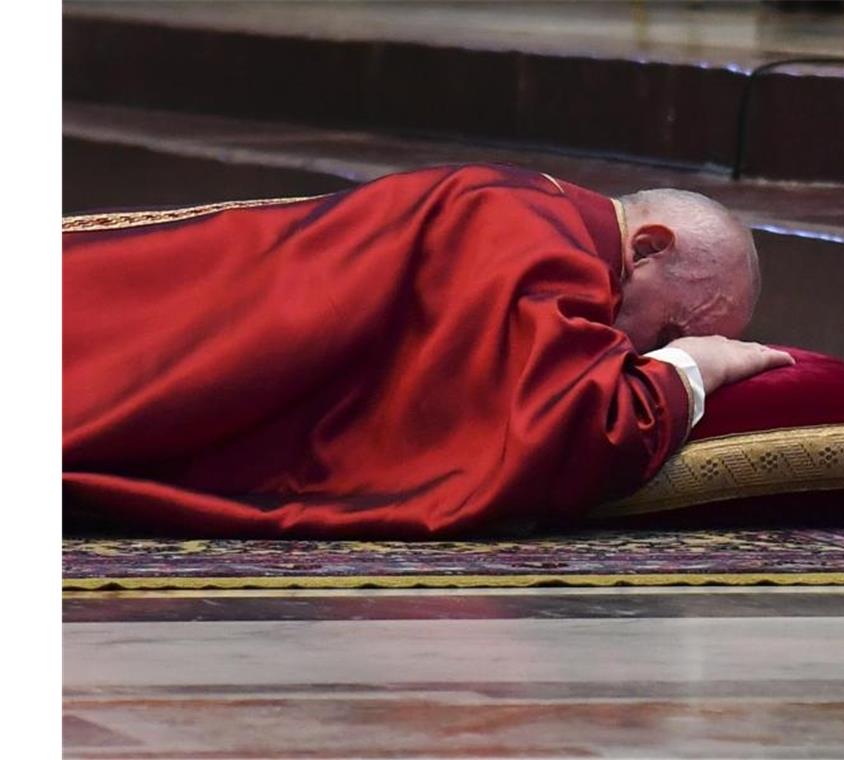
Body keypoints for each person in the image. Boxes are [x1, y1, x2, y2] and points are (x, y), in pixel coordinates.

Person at [63, 163, 793, 538]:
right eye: (669, 332)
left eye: (679, 344)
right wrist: (700, 369)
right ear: (648, 249)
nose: (649, 354)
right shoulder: (541, 243)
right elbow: (564, 426)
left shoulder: (545, 225)